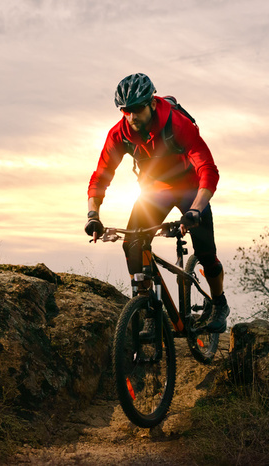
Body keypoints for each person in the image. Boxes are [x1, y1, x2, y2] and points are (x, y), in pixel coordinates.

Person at [85, 73, 229, 333]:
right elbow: (100, 176)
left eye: (137, 109)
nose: (132, 116)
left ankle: (219, 303)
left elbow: (208, 168)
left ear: (151, 103)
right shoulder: (120, 135)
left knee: (206, 252)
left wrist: (196, 209)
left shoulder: (178, 125)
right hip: (154, 192)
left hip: (190, 189)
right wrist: (92, 215)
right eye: (125, 111)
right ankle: (149, 308)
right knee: (132, 245)